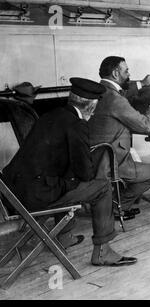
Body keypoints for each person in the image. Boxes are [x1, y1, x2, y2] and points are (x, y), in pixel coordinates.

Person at [2, 77, 137, 266]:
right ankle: (103, 252)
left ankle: (64, 236)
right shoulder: (77, 125)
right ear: (90, 106)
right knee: (102, 187)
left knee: (63, 180)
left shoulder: (50, 115)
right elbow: (85, 174)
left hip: (11, 192)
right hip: (34, 197)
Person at [88, 56, 150, 219]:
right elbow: (145, 125)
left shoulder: (99, 90)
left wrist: (142, 84)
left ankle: (110, 203)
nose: (129, 74)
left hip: (94, 157)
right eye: (126, 70)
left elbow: (120, 92)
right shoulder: (115, 100)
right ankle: (116, 207)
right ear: (116, 73)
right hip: (112, 162)